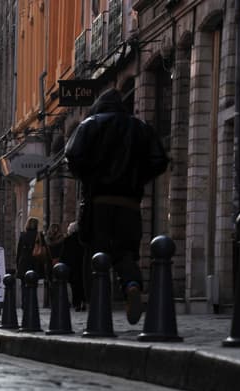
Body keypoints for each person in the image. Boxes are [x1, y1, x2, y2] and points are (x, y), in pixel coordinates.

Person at [65, 88, 169, 324]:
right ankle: (132, 286)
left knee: (94, 252)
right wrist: (137, 179)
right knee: (124, 253)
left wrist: (89, 177)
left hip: (99, 202)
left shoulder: (90, 124)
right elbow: (159, 160)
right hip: (129, 203)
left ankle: (98, 307)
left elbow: (72, 154)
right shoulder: (140, 127)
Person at [60, 222, 86, 311]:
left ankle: (77, 303)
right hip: (82, 264)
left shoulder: (67, 240)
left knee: (74, 286)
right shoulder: (82, 239)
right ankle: (84, 301)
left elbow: (64, 254)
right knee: (83, 284)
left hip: (71, 266)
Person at [15, 217, 46, 281]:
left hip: (24, 262)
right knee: (35, 284)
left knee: (24, 284)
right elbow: (43, 248)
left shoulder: (23, 235)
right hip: (36, 261)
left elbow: (19, 251)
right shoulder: (39, 235)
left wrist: (18, 264)